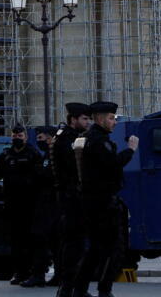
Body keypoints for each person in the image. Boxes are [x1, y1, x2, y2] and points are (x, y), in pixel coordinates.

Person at [72, 101, 139, 297]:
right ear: (100, 119)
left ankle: (80, 288)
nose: (114, 122)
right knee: (114, 248)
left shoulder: (84, 139)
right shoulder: (100, 141)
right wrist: (131, 150)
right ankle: (104, 289)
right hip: (102, 202)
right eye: (111, 118)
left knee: (94, 248)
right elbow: (113, 164)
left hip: (90, 200)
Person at [0, 124, 41, 285]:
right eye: (14, 136)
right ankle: (20, 273)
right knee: (15, 241)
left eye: (20, 136)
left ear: (25, 138)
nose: (16, 138)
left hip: (29, 205)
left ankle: (33, 273)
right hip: (11, 204)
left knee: (30, 241)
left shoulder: (32, 154)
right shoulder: (6, 155)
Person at [51, 102, 91, 297]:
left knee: (76, 243)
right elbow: (75, 168)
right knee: (73, 244)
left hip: (73, 196)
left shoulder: (71, 137)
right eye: (84, 118)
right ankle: (67, 286)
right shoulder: (67, 139)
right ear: (73, 119)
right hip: (70, 196)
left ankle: (72, 286)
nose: (87, 122)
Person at [23, 125, 59, 288]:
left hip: (52, 204)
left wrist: (37, 172)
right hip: (43, 204)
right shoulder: (45, 156)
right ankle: (39, 274)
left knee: (52, 241)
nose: (39, 142)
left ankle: (53, 275)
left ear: (50, 138)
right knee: (41, 241)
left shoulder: (55, 156)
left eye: (41, 138)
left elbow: (49, 176)